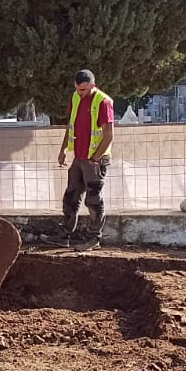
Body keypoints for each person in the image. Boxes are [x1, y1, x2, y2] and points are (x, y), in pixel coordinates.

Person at [55, 69, 114, 250]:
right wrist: (63, 149)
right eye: (78, 89)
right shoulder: (75, 98)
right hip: (79, 157)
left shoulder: (102, 102)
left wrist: (94, 158)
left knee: (93, 200)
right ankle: (64, 236)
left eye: (83, 90)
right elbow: (70, 125)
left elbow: (109, 135)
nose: (80, 93)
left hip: (94, 161)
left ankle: (94, 239)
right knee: (71, 196)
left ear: (92, 86)